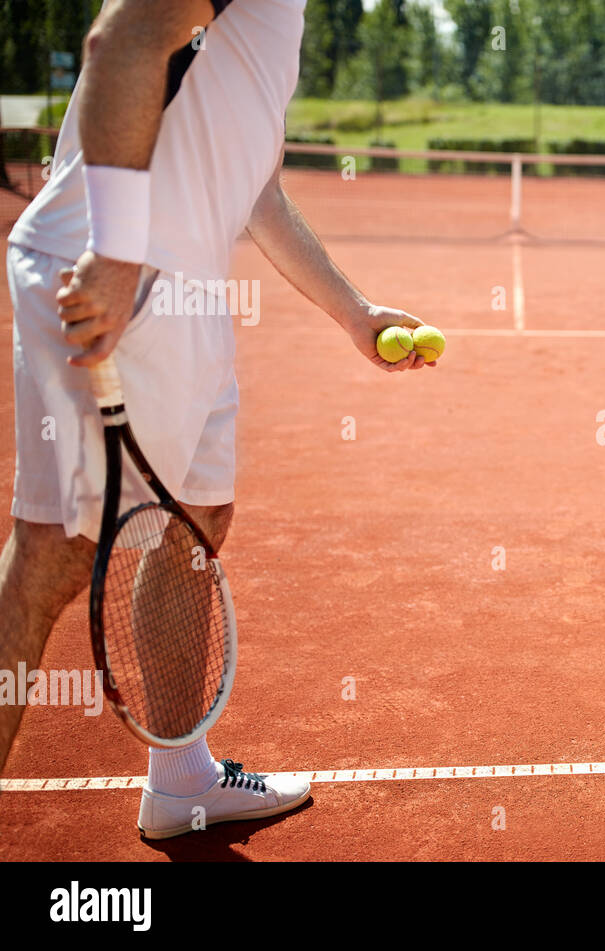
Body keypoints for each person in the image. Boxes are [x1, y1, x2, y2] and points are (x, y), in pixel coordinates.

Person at [0, 0, 434, 839]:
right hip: (122, 267)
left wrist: (351, 312)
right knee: (54, 555)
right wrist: (121, 253)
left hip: (184, 282)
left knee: (197, 517)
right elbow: (124, 37)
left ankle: (183, 781)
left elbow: (254, 187)